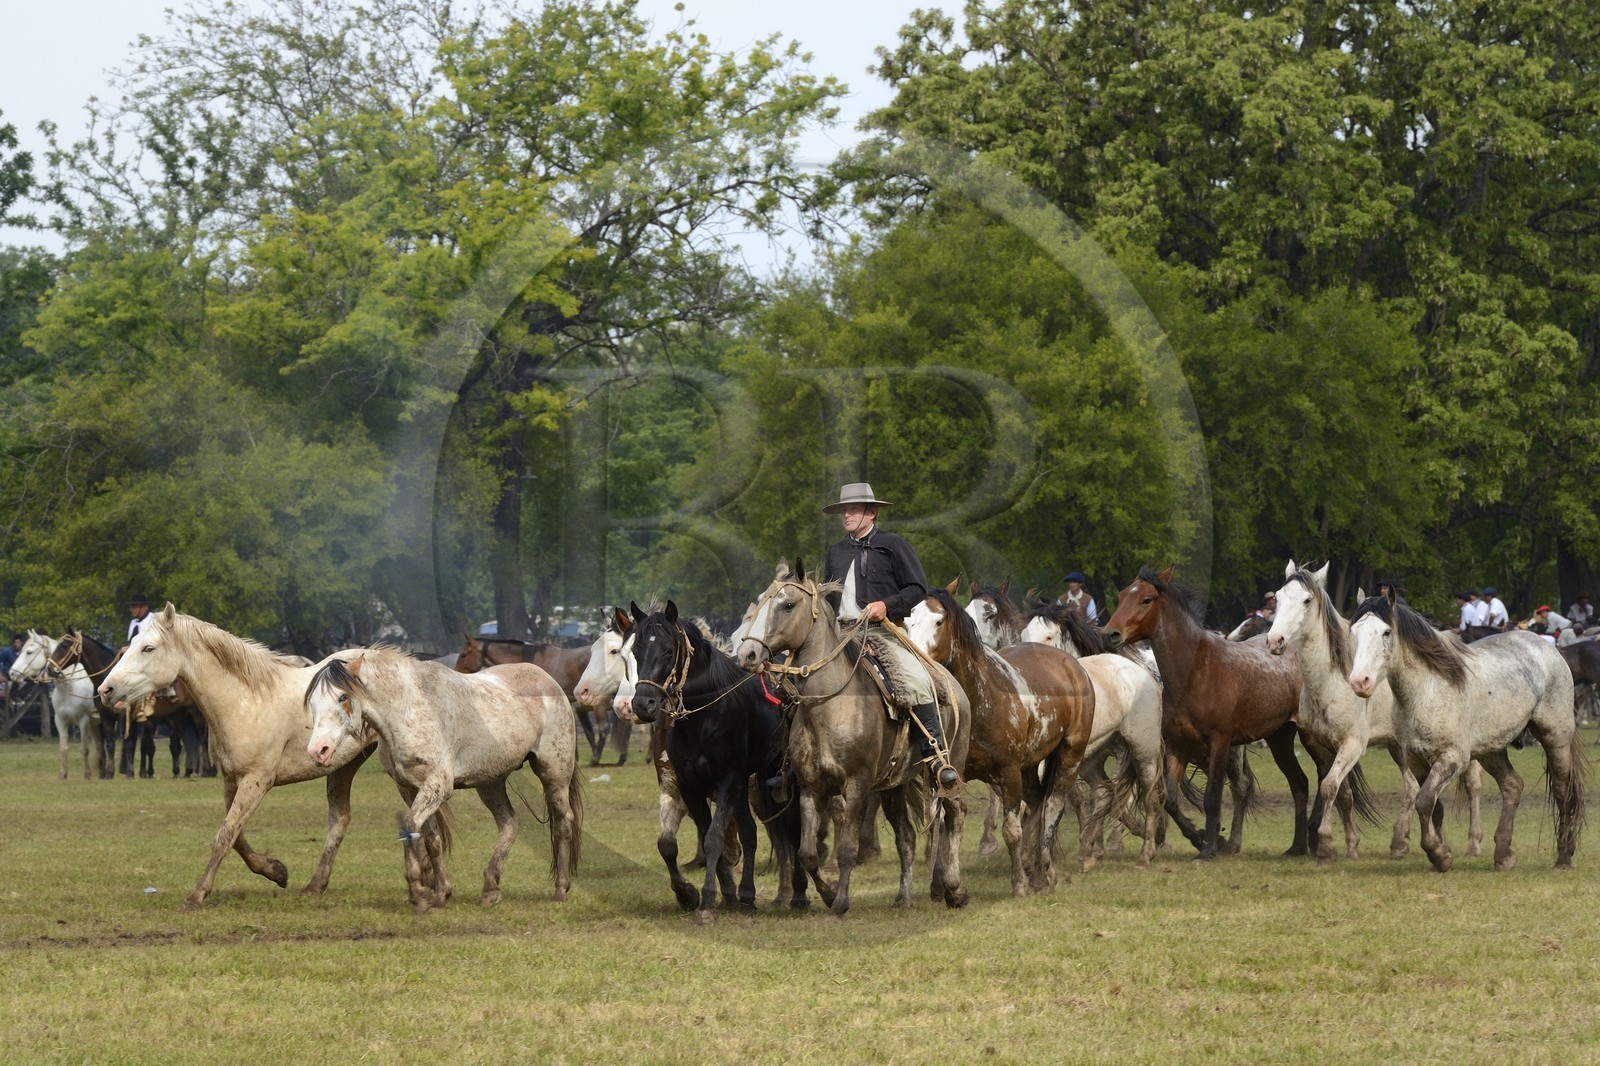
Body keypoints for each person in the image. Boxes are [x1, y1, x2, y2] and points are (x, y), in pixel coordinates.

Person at [821, 482, 958, 790]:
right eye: (844, 510)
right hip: (839, 634)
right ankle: (792, 761)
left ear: (872, 512)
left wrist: (886, 605)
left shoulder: (893, 545)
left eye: (853, 509)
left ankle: (935, 755)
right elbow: (828, 597)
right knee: (797, 684)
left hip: (883, 632)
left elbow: (917, 589)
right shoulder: (836, 551)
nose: (846, 515)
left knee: (918, 681)